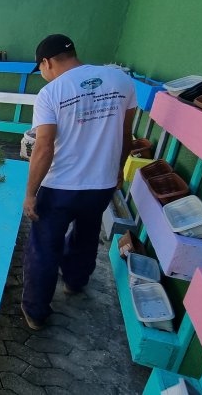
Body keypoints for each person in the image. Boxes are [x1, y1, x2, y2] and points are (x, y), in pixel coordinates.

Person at [21, 34, 136, 330]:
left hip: (60, 187)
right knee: (87, 233)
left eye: (40, 68)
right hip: (101, 185)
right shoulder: (121, 81)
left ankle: (36, 313)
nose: (43, 73)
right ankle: (74, 281)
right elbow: (126, 135)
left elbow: (43, 147)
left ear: (47, 62)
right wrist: (118, 170)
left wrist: (30, 193)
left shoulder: (51, 93)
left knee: (44, 247)